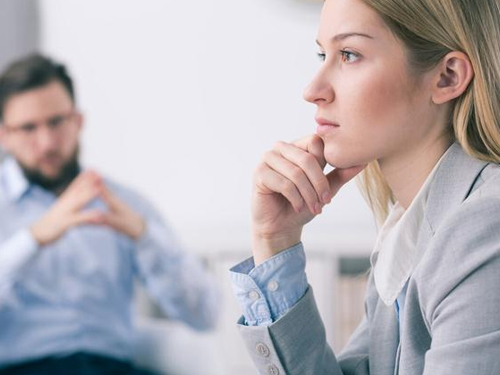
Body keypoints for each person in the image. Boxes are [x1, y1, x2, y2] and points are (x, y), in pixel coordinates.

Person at [230, 0, 500, 374]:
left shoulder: (485, 228)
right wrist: (273, 240)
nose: (313, 89)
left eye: (350, 54)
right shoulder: (407, 230)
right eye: (323, 54)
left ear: (447, 77)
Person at [0, 54, 219, 374]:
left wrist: (146, 239)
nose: (46, 143)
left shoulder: (123, 203)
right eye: (28, 128)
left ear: (78, 121)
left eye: (57, 122)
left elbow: (205, 314)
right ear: (4, 135)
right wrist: (32, 239)